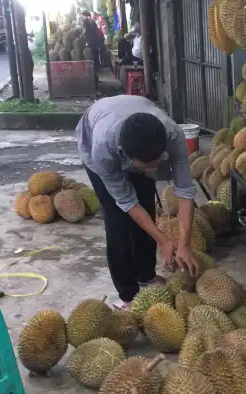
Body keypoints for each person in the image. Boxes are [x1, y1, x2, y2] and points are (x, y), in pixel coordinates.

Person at [75, 95, 199, 311]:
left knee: (146, 203)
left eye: (156, 163)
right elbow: (126, 201)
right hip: (94, 134)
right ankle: (127, 294)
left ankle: (146, 274)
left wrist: (184, 244)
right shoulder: (102, 151)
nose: (152, 170)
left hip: (130, 124)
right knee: (117, 222)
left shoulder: (173, 135)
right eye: (145, 165)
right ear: (127, 155)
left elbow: (185, 191)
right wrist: (164, 241)